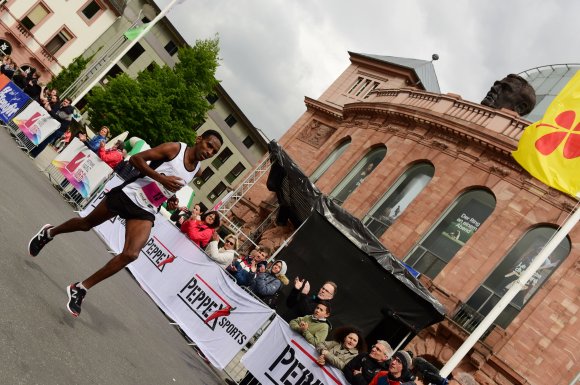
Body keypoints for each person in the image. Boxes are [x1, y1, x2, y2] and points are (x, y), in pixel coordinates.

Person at [27, 130, 224, 317]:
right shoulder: (174, 149)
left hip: (146, 209)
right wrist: (161, 179)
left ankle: (80, 288)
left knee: (131, 254)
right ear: (199, 139)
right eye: (209, 145)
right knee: (86, 224)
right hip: (129, 194)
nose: (209, 152)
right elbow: (136, 159)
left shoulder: (198, 170)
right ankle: (49, 233)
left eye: (214, 151)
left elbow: (170, 184)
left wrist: (169, 197)